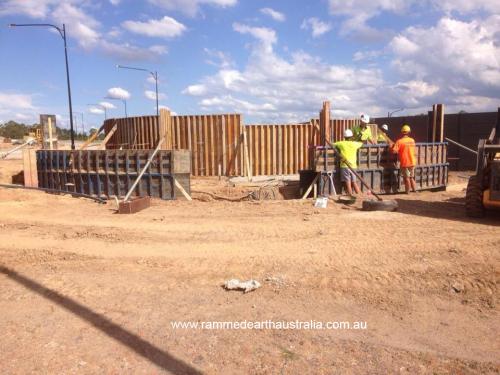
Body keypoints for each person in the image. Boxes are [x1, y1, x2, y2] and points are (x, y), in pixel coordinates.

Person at [334, 129, 363, 196]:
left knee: (348, 181)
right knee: (354, 182)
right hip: (353, 166)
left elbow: (332, 144)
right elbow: (361, 143)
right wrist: (357, 139)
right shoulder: (355, 144)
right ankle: (360, 195)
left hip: (345, 165)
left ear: (344, 137)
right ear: (351, 137)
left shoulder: (341, 143)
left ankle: (350, 195)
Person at [392, 124, 417, 193]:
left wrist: (392, 147)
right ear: (409, 132)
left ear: (402, 132)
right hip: (412, 161)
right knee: (411, 177)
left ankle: (407, 191)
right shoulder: (412, 140)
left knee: (406, 178)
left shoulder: (399, 141)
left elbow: (394, 151)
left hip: (405, 162)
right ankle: (415, 190)